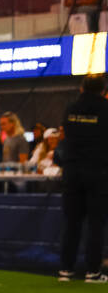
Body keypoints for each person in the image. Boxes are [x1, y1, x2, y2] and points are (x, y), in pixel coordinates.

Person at [58, 75, 108, 282]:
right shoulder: (106, 108)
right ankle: (92, 271)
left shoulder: (70, 108)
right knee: (96, 223)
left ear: (81, 89)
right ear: (104, 90)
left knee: (72, 222)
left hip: (72, 171)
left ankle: (66, 269)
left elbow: (65, 136)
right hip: (98, 172)